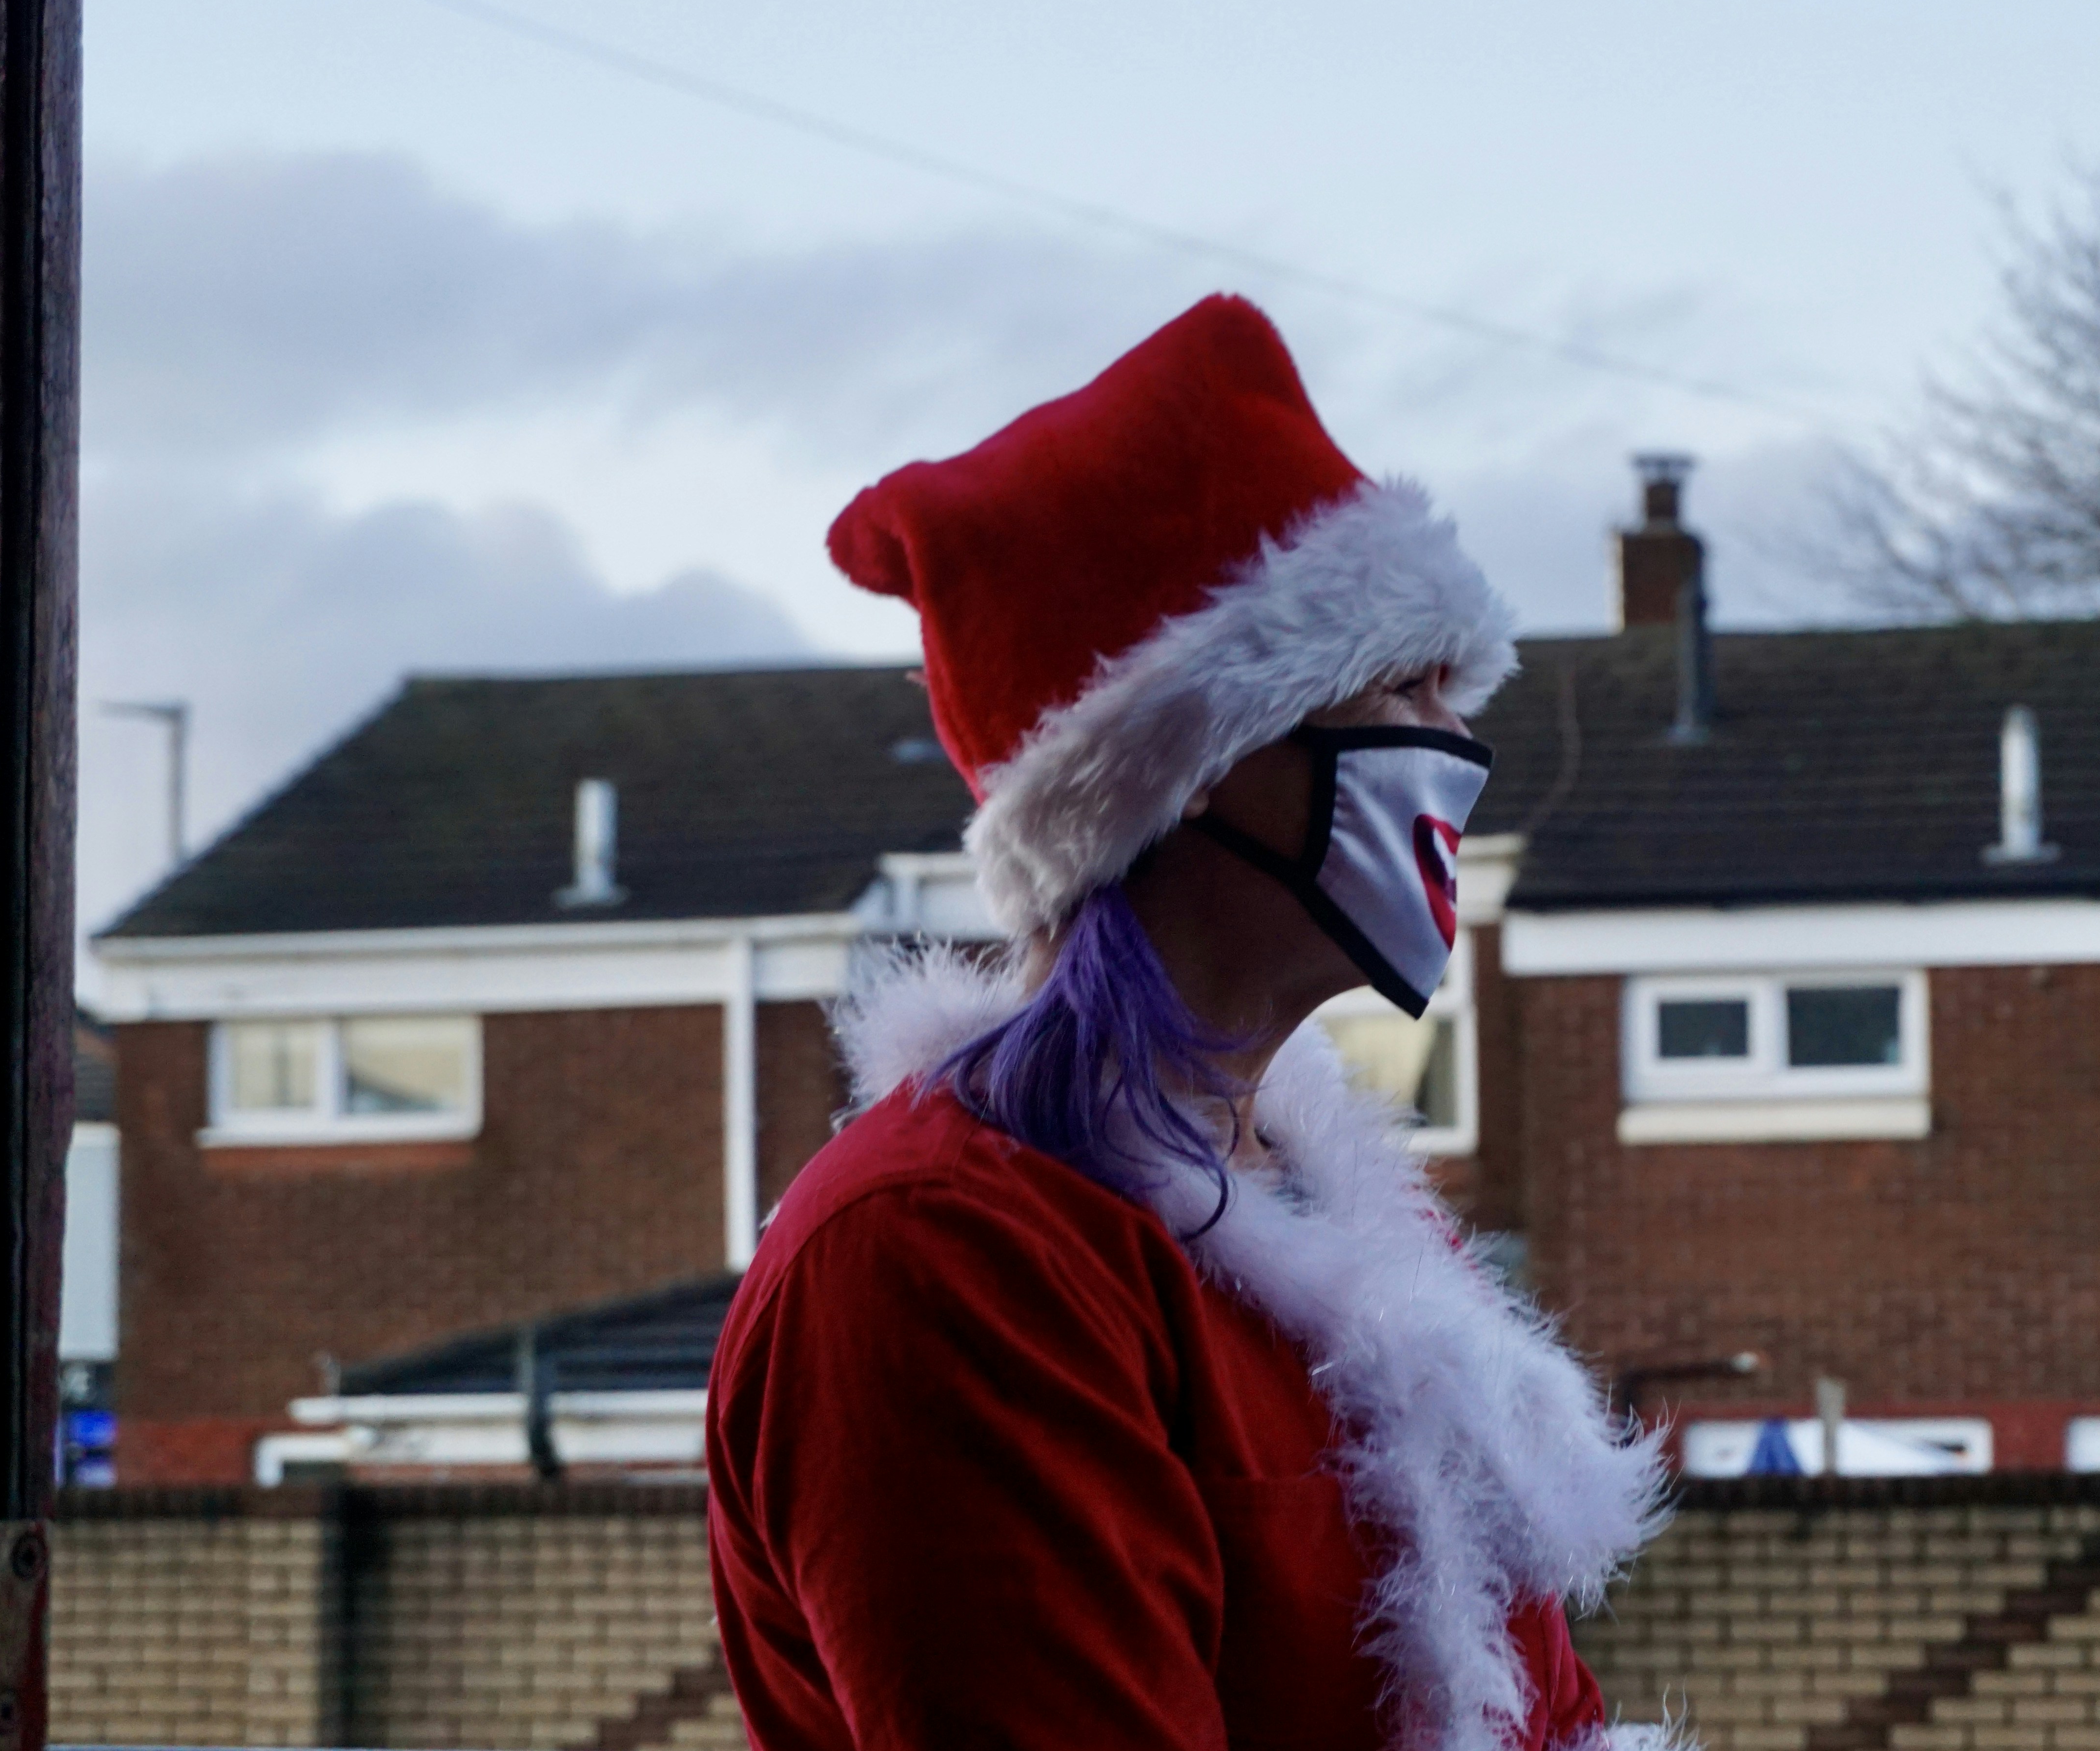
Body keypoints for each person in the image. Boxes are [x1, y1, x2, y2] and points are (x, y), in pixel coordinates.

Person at [705, 295, 1674, 1751]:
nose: (1460, 744)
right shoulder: (941, 1251)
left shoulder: (1352, 1233)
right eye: (1404, 683)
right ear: (1201, 753)